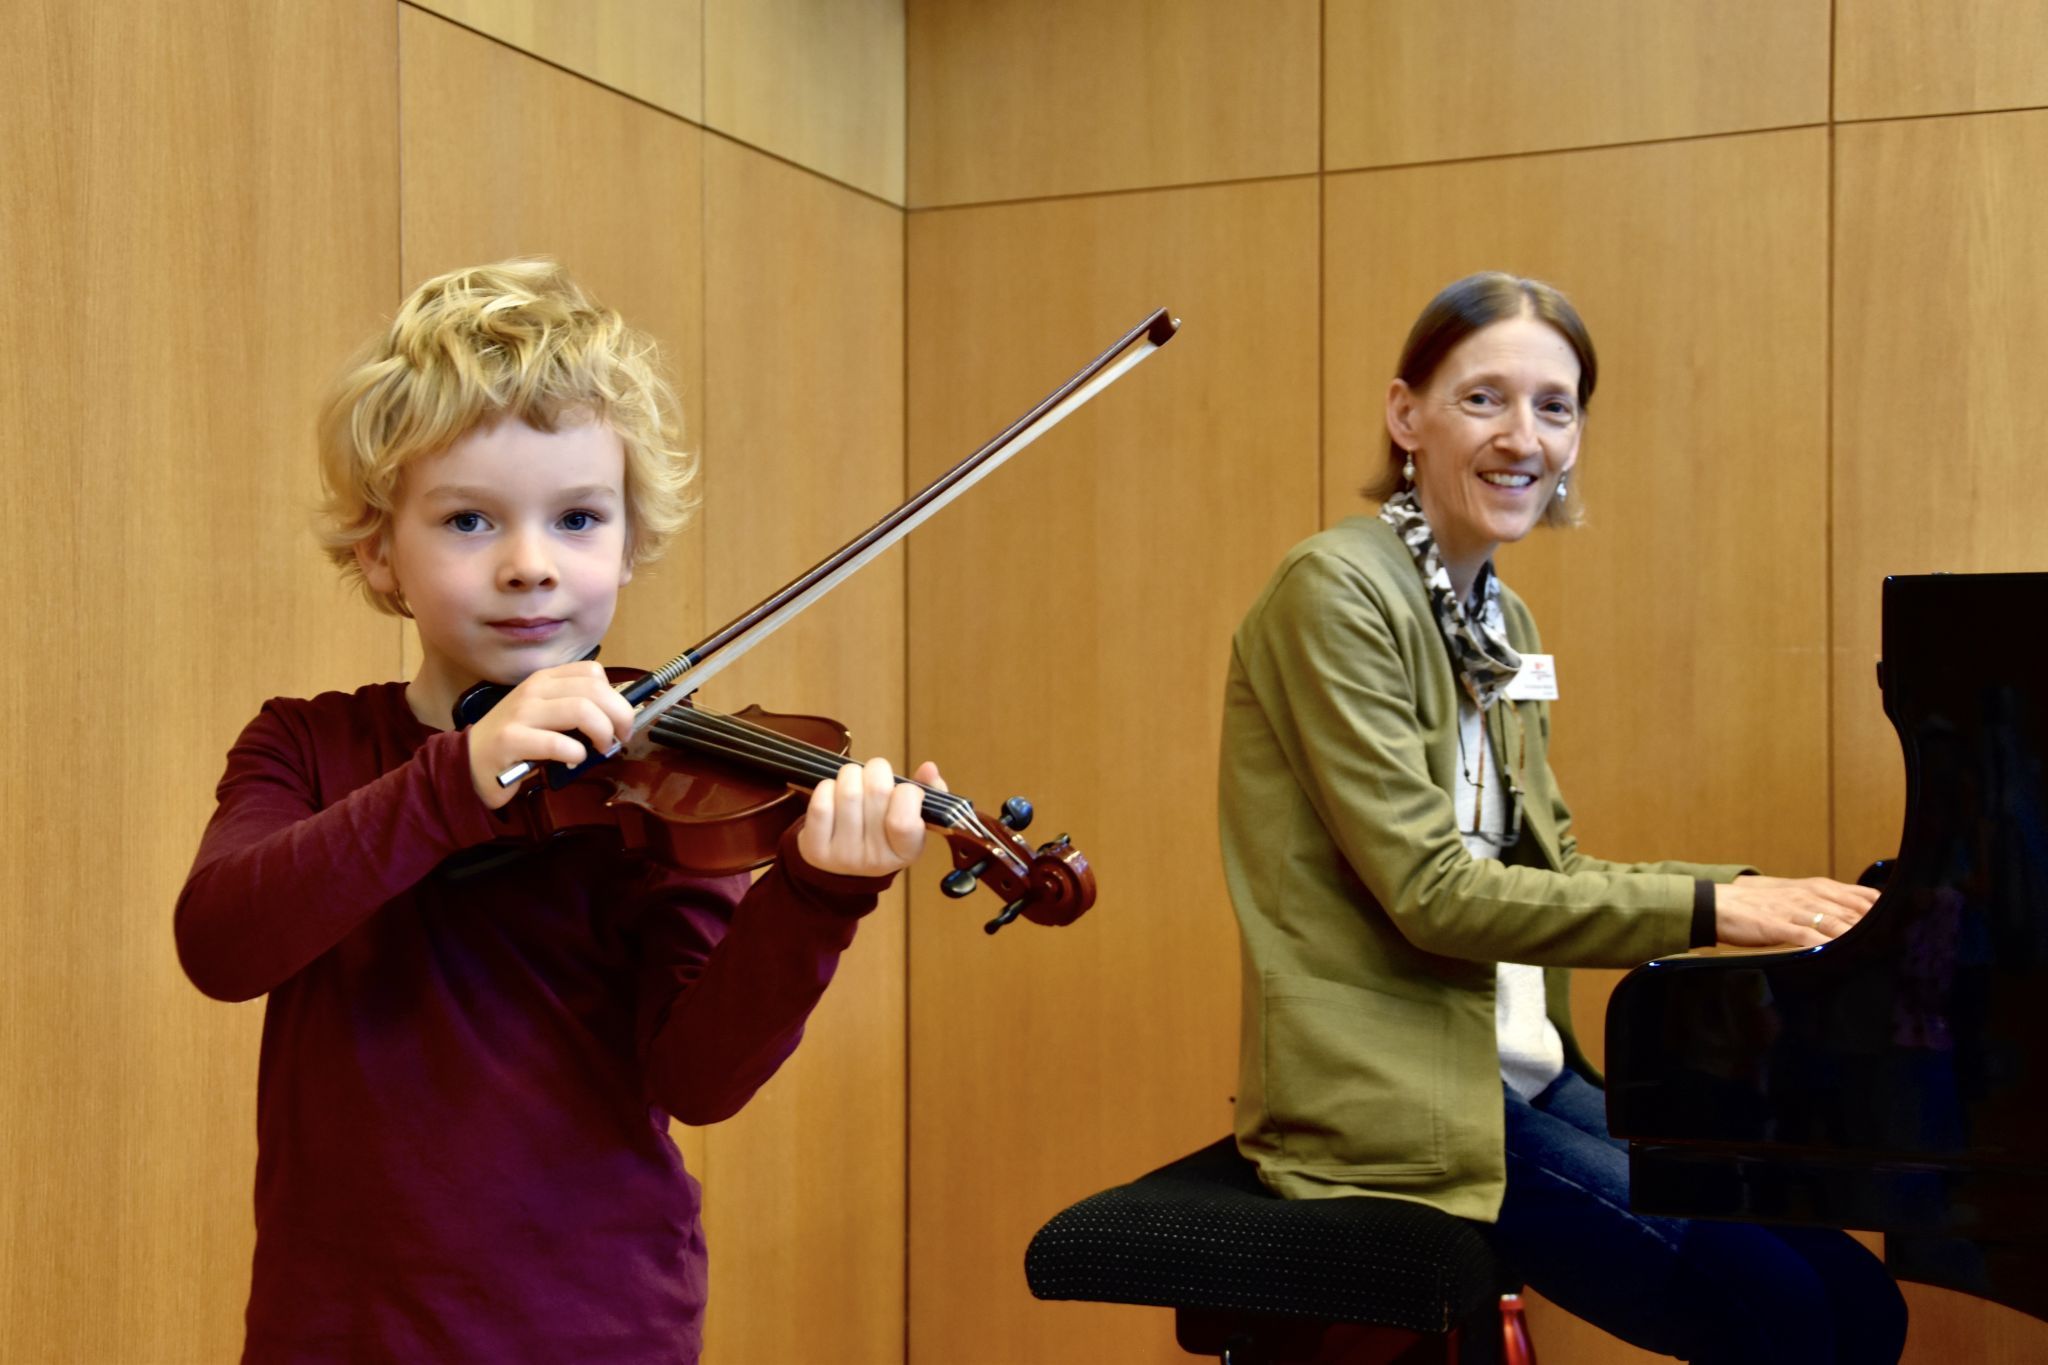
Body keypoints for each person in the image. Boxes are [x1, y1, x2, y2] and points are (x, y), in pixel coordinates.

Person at [175, 259, 938, 1363]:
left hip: (594, 1326)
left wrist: (817, 898)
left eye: (578, 519)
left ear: (630, 544)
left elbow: (697, 1079)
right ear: (380, 553)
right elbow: (222, 942)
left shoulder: (658, 775)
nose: (531, 567)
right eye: (471, 522)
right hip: (337, 1332)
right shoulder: (307, 745)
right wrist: (451, 780)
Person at [1219, 272, 1908, 1362]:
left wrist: (1765, 894)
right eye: (1482, 398)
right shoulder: (1334, 592)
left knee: (1857, 1298)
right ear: (1405, 415)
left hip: (1519, 1067)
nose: (1522, 436)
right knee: (1780, 1315)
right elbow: (1433, 896)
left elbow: (1554, 863)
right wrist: (1714, 910)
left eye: (1554, 405)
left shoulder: (1499, 610)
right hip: (1395, 1101)